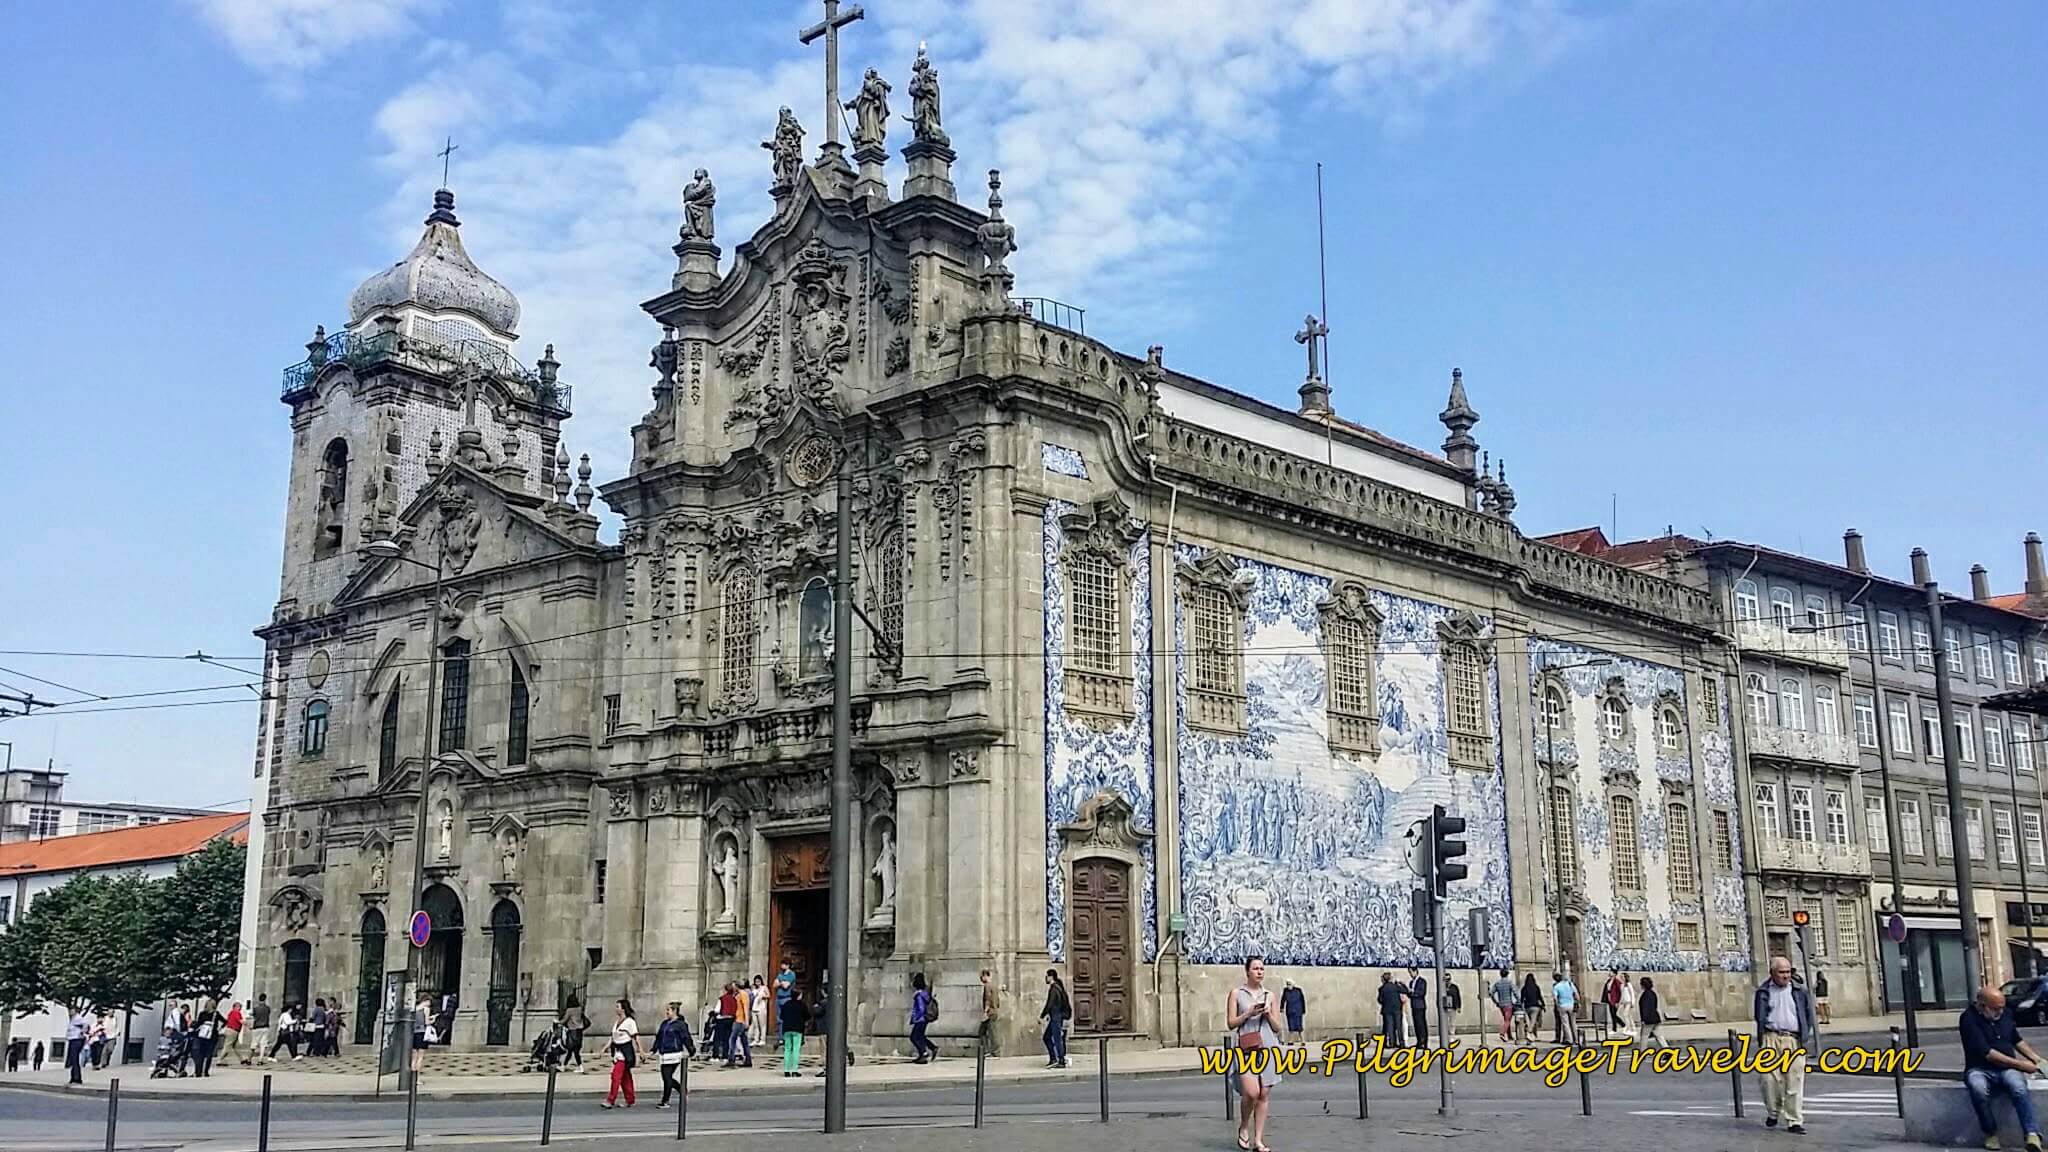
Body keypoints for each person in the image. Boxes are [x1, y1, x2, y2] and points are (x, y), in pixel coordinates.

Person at [1962, 985, 2045, 1151]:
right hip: (1980, 1067)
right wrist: (2021, 1065)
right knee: (1978, 1088)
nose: (2000, 1012)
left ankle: (2032, 1134)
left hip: (2007, 1068)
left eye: (2002, 1007)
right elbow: (1988, 1053)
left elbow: (2016, 1039)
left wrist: (2037, 1059)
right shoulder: (1968, 1019)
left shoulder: (2005, 1014)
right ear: (1982, 1005)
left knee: (2018, 1087)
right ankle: (1990, 1133)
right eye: (1995, 1009)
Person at [1753, 956, 1816, 1135]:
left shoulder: (1799, 991)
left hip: (1793, 1039)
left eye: (1788, 972)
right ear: (1772, 973)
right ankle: (1773, 1112)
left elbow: (1808, 1014)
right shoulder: (1763, 992)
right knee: (1768, 1079)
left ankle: (1794, 1120)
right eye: (1781, 972)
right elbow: (1759, 1015)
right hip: (1771, 1037)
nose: (1786, 976)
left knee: (1794, 1080)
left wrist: (1804, 1034)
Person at [1228, 956, 1282, 1152]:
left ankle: (1258, 1140)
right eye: (1256, 968)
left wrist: (1267, 1014)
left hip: (1268, 1046)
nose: (1260, 972)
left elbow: (1277, 1028)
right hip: (1245, 1047)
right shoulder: (1236, 994)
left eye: (1262, 969)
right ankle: (1243, 1126)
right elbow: (1231, 1023)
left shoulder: (1270, 995)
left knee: (1264, 1094)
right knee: (1252, 1092)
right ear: (1247, 971)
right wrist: (1248, 1014)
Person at [652, 1003, 694, 1108]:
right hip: (664, 1053)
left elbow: (686, 1037)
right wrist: (654, 1049)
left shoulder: (680, 1024)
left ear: (675, 1011)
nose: (666, 1012)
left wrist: (691, 1049)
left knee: (667, 1077)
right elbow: (659, 1037)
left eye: (668, 1010)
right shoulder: (665, 1023)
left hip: (674, 1053)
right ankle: (682, 1090)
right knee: (667, 1077)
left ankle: (665, 1100)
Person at [601, 999, 640, 1109]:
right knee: (625, 1077)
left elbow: (636, 1036)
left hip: (625, 1053)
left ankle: (611, 1100)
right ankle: (630, 1099)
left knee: (616, 1076)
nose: (616, 1009)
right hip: (617, 1052)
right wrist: (605, 1048)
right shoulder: (617, 1022)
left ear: (623, 1009)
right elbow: (613, 1037)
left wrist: (641, 1050)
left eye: (618, 1006)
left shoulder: (630, 1022)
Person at [1041, 968, 1072, 1068]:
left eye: (1046, 976)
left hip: (1056, 1018)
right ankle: (1054, 1058)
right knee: (1047, 1037)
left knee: (1057, 1039)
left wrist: (1042, 1016)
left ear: (1050, 977)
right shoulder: (1057, 988)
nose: (1045, 978)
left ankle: (1060, 1060)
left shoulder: (1054, 989)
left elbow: (1049, 1004)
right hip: (1055, 1017)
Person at [909, 972, 938, 1064]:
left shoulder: (919, 995)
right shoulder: (925, 994)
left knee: (914, 1037)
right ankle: (932, 1048)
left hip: (920, 1019)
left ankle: (924, 1053)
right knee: (920, 1036)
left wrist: (916, 1018)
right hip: (924, 1019)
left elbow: (920, 1008)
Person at [779, 990, 809, 1078]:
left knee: (787, 1049)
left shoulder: (786, 1004)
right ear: (798, 996)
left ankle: (786, 1070)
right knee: (796, 1049)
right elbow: (807, 1016)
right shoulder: (802, 1005)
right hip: (797, 1029)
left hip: (787, 1029)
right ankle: (795, 1070)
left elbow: (781, 1016)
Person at [192, 999, 223, 1076]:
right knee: (209, 1054)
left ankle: (198, 1071)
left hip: (202, 1035)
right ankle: (205, 1071)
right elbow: (225, 1021)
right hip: (212, 1035)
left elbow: (198, 1024)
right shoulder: (216, 1014)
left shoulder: (202, 1013)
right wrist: (219, 1028)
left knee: (201, 1054)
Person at [1376, 973, 1406, 1049]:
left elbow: (1380, 1000)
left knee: (1390, 1027)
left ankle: (1392, 1043)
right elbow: (1405, 991)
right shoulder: (1395, 987)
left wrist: (1385, 1003)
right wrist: (1401, 984)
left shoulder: (1382, 988)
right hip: (1397, 1009)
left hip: (1387, 1010)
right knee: (1399, 1027)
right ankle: (1401, 1043)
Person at [1637, 976, 1666, 1049]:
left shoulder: (1645, 995)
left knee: (1644, 1037)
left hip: (1648, 1020)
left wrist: (1644, 1019)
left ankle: (1642, 1052)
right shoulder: (1653, 993)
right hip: (1655, 1018)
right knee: (1659, 1036)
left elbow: (1645, 1008)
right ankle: (1667, 1050)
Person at [729, 978, 752, 1068]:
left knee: (732, 1039)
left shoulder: (743, 994)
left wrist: (746, 1021)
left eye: (734, 985)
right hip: (738, 1019)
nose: (733, 987)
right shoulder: (738, 994)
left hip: (740, 1020)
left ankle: (731, 1059)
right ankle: (748, 1059)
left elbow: (745, 1008)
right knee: (744, 1041)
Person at [1490, 969, 1518, 1042]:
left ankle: (1509, 1036)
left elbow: (1491, 993)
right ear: (1507, 974)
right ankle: (1502, 1033)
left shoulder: (1497, 983)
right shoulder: (1509, 982)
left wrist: (1496, 1002)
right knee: (1507, 1020)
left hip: (1501, 1004)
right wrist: (1518, 1000)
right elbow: (1515, 992)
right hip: (1508, 1004)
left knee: (1506, 1019)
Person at [1551, 973, 1579, 1046]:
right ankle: (1576, 1039)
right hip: (1571, 1005)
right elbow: (1576, 994)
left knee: (1565, 1023)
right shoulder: (1570, 984)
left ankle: (1569, 1039)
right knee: (1573, 1023)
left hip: (1562, 1005)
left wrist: (1557, 1005)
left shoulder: (1556, 986)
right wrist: (1578, 1002)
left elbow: (1555, 998)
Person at [979, 969, 1002, 1055]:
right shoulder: (994, 986)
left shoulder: (987, 986)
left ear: (985, 976)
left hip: (990, 1013)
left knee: (984, 1032)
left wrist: (985, 1013)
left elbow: (987, 1000)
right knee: (992, 1031)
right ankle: (992, 1051)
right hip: (995, 1011)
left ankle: (992, 1051)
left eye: (981, 977)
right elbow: (998, 1001)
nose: (981, 979)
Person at [65, 1007, 90, 1083]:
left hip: (76, 1040)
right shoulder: (73, 1019)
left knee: (74, 1058)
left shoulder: (78, 1018)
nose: (70, 1012)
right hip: (72, 1039)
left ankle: (77, 1077)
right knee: (73, 1059)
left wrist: (82, 1033)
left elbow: (85, 1024)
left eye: (72, 1010)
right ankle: (74, 1076)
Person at [410, 993, 434, 1075]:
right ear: (426, 1001)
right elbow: (427, 1022)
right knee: (420, 1057)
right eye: (429, 1002)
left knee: (414, 1057)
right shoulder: (426, 1009)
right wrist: (432, 1020)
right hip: (422, 1033)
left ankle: (412, 1077)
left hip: (414, 1033)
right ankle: (417, 1078)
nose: (430, 1004)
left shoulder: (415, 1009)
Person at [714, 983, 736, 1065]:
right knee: (727, 1038)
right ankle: (725, 1056)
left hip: (722, 1019)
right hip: (730, 1019)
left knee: (718, 1038)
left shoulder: (722, 998)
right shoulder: (734, 998)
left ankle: (715, 1056)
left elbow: (717, 1010)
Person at [1407, 967, 1430, 1049]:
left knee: (1421, 1024)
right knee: (1416, 1024)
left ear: (1415, 971)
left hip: (1420, 1006)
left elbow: (1421, 993)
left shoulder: (1422, 981)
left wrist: (1412, 992)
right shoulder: (1411, 982)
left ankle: (1424, 1041)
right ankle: (1419, 1041)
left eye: (1411, 972)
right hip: (1414, 1005)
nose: (1410, 974)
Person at [1518, 973, 1544, 1044]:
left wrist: (1521, 1006)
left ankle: (1532, 1036)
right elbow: (1540, 997)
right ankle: (1529, 1033)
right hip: (1535, 1006)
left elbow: (1522, 998)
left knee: (1529, 1022)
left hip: (1527, 1006)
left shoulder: (1524, 988)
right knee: (1533, 1022)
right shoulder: (1536, 987)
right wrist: (1543, 1005)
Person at [563, 1000, 588, 1070]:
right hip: (579, 1032)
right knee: (575, 1051)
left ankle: (564, 1066)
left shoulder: (569, 1010)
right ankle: (579, 1066)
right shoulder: (579, 1009)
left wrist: (558, 1022)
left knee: (570, 1050)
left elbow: (564, 1020)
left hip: (572, 1031)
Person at [248, 994, 272, 1064]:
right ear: (265, 999)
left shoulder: (256, 1008)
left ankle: (249, 1059)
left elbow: (253, 1016)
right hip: (265, 1027)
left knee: (254, 1044)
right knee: (263, 1044)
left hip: (256, 1027)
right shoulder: (267, 1008)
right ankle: (260, 1060)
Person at [1280, 979, 1306, 1044]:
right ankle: (1291, 1040)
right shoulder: (1285, 990)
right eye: (1287, 984)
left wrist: (1303, 1010)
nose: (1288, 985)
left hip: (1298, 1010)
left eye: (1289, 984)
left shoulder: (1298, 990)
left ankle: (1302, 1040)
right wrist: (1282, 1007)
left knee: (1299, 1026)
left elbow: (1302, 1000)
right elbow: (1283, 999)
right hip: (1290, 1010)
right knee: (1290, 1026)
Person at [222, 1001, 246, 1066]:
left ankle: (242, 1059)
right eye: (239, 1007)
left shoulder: (231, 1013)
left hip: (230, 1030)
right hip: (233, 1031)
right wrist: (247, 1024)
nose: (240, 1008)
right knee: (227, 1045)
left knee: (236, 1046)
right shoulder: (236, 1012)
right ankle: (221, 1060)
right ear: (235, 1007)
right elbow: (240, 1021)